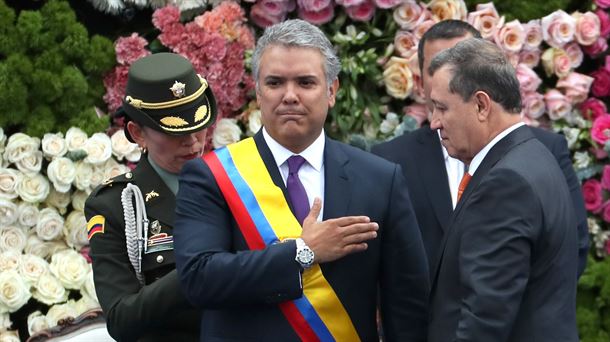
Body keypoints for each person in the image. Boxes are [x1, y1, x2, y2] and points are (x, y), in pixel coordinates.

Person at [173, 19, 429, 341]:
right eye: (275, 83)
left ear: (332, 91)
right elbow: (199, 280)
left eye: (306, 83)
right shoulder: (211, 176)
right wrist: (303, 251)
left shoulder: (380, 178)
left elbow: (407, 305)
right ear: (258, 91)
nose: (290, 96)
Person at [371, 20, 588, 279]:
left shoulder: (545, 150)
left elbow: (571, 247)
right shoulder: (390, 161)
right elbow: (381, 262)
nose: (454, 77)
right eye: (439, 67)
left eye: (463, 66)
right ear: (421, 83)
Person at [427, 37, 578, 341]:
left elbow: (485, 317)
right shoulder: (533, 155)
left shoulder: (505, 182)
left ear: (481, 105)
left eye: (442, 108)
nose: (434, 123)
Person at [84, 52, 217, 341]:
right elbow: (121, 317)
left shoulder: (236, 180)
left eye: (198, 125)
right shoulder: (115, 205)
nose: (193, 140)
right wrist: (200, 269)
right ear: (137, 133)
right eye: (173, 131)